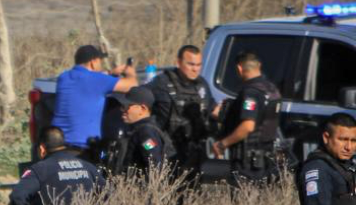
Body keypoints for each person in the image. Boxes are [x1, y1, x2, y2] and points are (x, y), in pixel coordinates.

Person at [8, 126, 100, 205]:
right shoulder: (87, 166)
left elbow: (17, 197)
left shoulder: (39, 170)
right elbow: (109, 194)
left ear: (42, 149)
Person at [50, 45, 139, 154]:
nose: (100, 65)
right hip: (82, 147)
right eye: (99, 61)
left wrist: (110, 73)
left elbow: (89, 79)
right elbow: (132, 85)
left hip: (57, 144)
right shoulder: (98, 80)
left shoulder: (63, 77)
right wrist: (131, 73)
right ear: (93, 62)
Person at [212, 52, 281, 185]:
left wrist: (223, 144)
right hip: (266, 159)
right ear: (259, 66)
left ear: (239, 68)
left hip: (248, 162)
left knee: (243, 200)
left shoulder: (251, 93)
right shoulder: (272, 89)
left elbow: (247, 126)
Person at [146, 44, 213, 173]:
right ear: (178, 62)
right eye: (191, 64)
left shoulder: (202, 85)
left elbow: (210, 108)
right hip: (168, 151)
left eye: (199, 65)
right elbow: (140, 101)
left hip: (193, 152)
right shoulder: (161, 82)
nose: (195, 69)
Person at [106, 87, 173, 177]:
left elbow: (154, 164)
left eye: (126, 106)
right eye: (122, 106)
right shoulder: (137, 130)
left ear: (143, 108)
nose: (122, 110)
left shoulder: (146, 133)